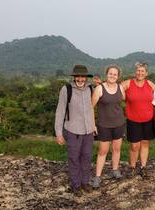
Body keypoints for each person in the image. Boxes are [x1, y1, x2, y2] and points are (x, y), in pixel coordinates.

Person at [54, 64, 96, 197]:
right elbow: (60, 112)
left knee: (87, 157)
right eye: (78, 76)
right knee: (74, 158)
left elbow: (93, 108)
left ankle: (85, 182)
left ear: (86, 78)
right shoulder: (66, 89)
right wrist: (59, 133)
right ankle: (75, 185)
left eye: (83, 76)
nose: (80, 79)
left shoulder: (90, 89)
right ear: (74, 77)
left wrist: (94, 126)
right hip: (73, 130)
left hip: (88, 130)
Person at [91, 64, 126, 188]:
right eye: (110, 73)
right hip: (104, 125)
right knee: (102, 151)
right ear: (106, 74)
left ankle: (115, 170)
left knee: (116, 149)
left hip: (119, 123)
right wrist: (93, 124)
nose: (112, 76)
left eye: (115, 74)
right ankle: (97, 176)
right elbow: (91, 107)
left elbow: (123, 100)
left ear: (118, 76)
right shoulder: (99, 89)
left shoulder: (120, 88)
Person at [121, 62, 155, 177]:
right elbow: (114, 90)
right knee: (134, 146)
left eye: (142, 71)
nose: (140, 73)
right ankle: (132, 167)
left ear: (146, 73)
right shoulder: (127, 84)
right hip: (133, 119)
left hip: (148, 119)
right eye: (138, 71)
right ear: (135, 72)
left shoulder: (150, 84)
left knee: (145, 143)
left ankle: (143, 167)